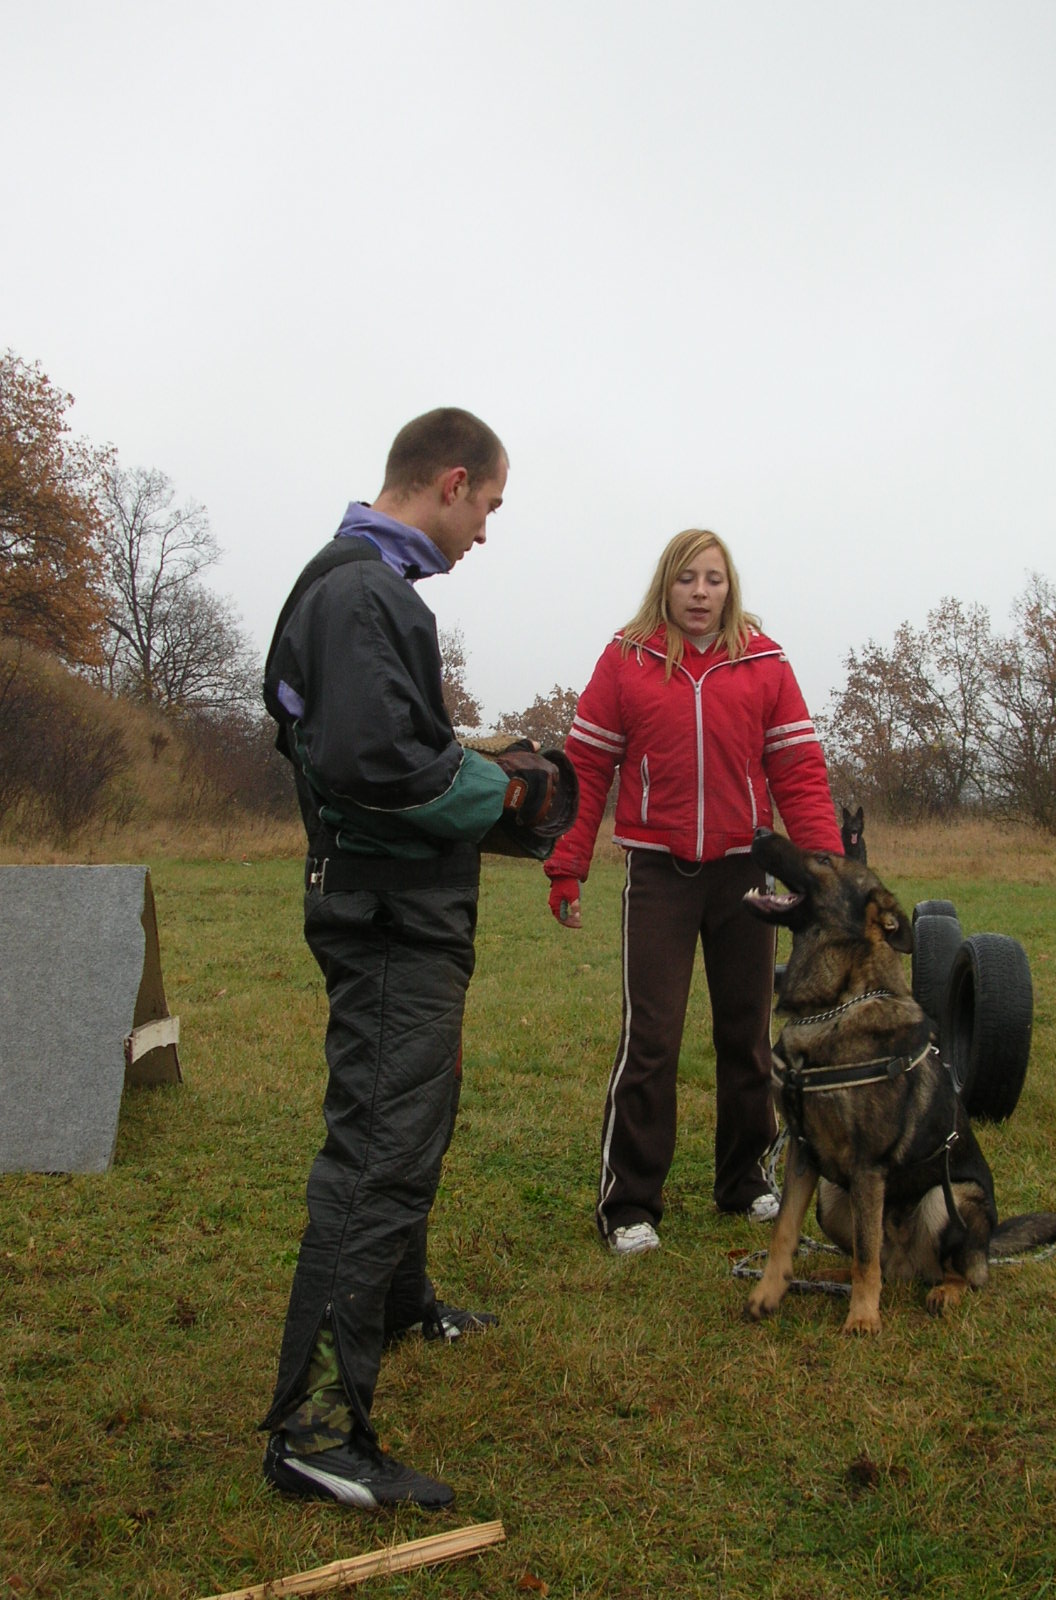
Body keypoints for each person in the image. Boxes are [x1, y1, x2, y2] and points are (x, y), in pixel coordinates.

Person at [260, 408, 562, 1509]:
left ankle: (398, 1299)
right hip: (388, 924)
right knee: (378, 1151)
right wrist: (514, 791)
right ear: (449, 481)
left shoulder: (370, 594)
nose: (486, 531)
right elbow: (376, 759)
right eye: (488, 506)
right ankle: (314, 1429)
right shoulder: (358, 593)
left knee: (413, 1117)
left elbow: (375, 745)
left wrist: (475, 754)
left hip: (408, 921)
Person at [545, 529, 843, 1256]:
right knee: (651, 1040)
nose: (700, 593)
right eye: (687, 579)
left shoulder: (766, 662)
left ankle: (743, 1181)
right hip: (658, 877)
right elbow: (586, 764)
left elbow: (799, 772)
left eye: (713, 579)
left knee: (746, 1038)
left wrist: (828, 876)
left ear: (729, 587)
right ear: (666, 587)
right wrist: (567, 864)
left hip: (746, 876)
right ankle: (629, 1206)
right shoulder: (626, 659)